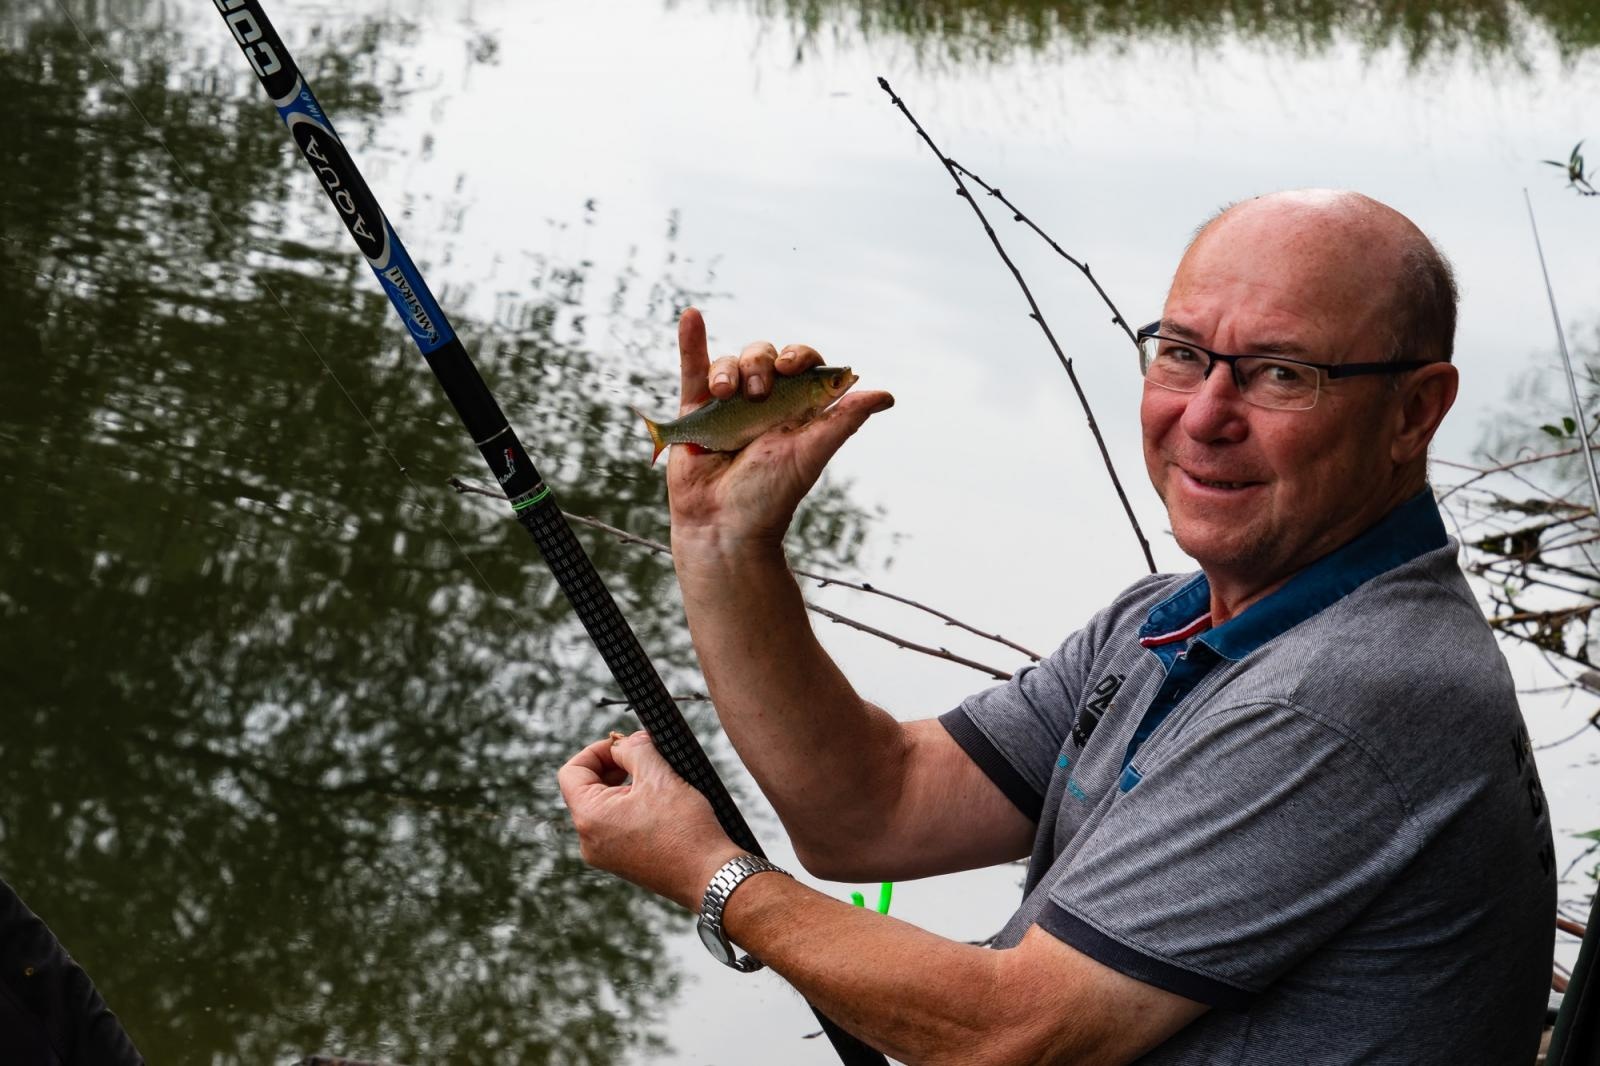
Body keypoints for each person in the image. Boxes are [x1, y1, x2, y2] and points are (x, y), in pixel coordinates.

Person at [558, 189, 1557, 1063]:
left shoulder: (1349, 694)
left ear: (1413, 414)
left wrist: (713, 872)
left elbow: (1011, 1035)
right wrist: (725, 543)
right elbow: (873, 808)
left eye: (1279, 372)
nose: (1204, 414)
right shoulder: (1167, 624)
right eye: (1180, 354)